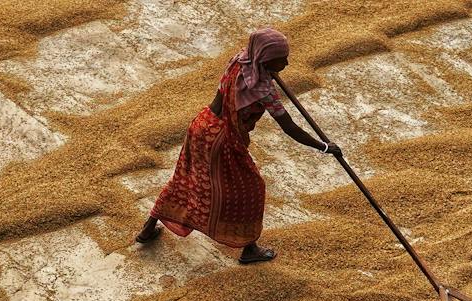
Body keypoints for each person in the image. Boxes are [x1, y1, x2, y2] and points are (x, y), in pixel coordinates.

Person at [136, 27, 341, 264]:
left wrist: (267, 69)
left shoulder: (240, 60)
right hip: (223, 140)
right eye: (281, 59)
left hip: (203, 125)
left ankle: (148, 228)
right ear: (265, 58)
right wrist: (324, 147)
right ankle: (249, 249)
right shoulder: (263, 89)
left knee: (185, 179)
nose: (286, 62)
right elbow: (289, 127)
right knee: (250, 190)